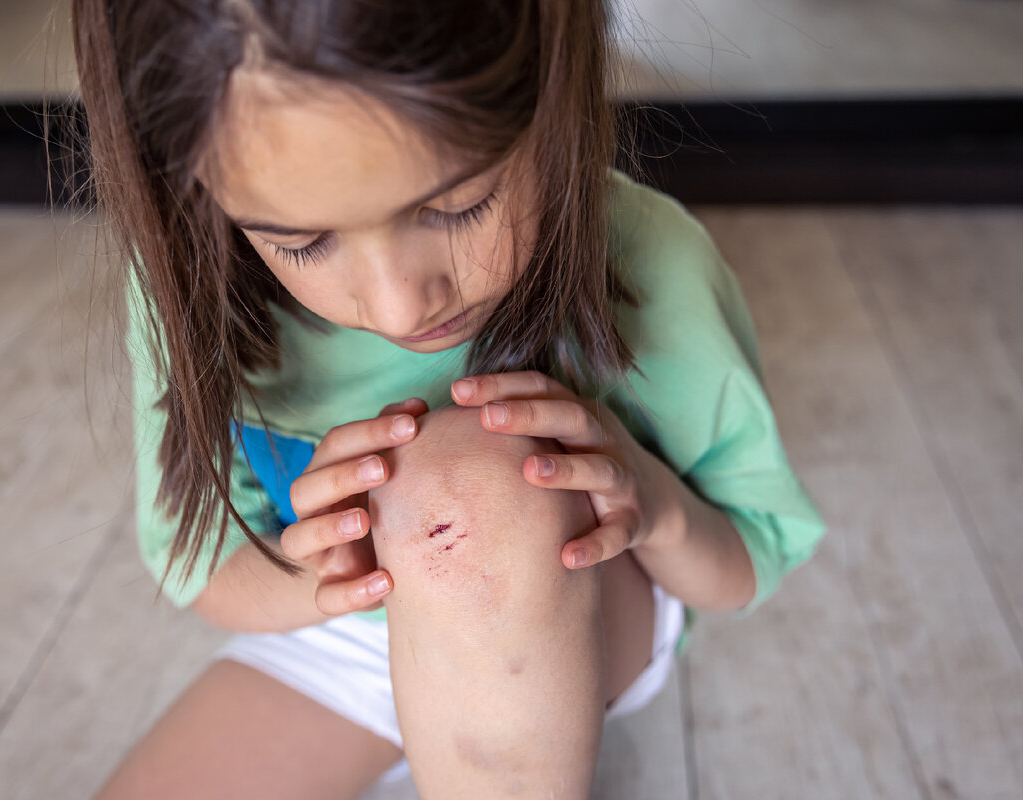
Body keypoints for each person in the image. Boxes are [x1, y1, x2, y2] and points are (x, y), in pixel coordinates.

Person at [70, 1, 826, 797]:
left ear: (551, 92)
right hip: (349, 636)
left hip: (587, 610)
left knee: (469, 491)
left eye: (458, 206)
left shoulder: (652, 261)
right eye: (299, 242)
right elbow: (203, 568)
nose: (401, 307)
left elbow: (748, 558)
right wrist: (334, 572)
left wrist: (653, 498)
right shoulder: (188, 284)